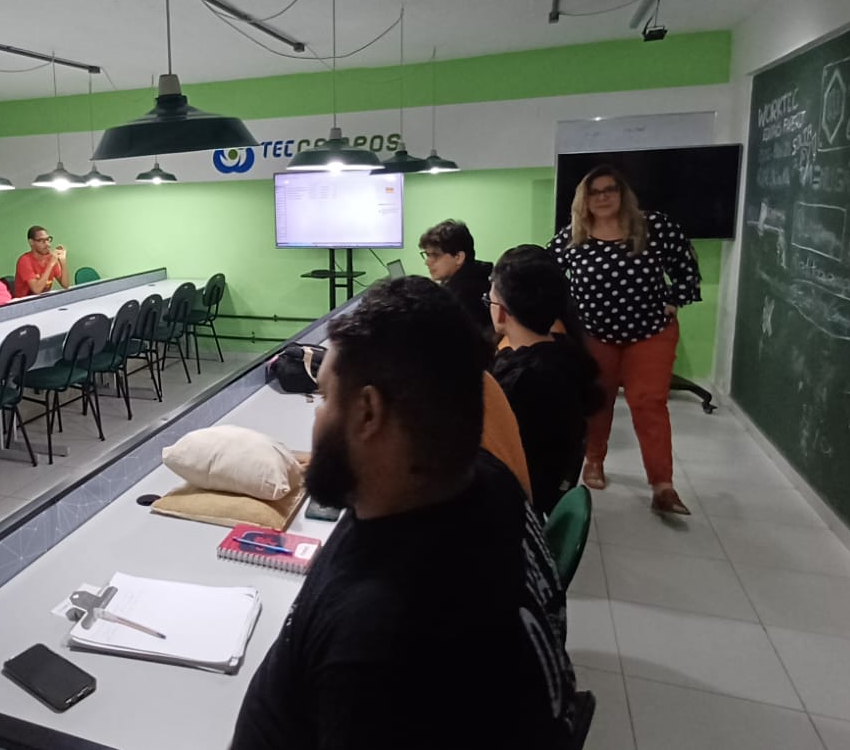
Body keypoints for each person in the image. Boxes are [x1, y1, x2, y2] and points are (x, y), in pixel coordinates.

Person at [230, 278, 575, 749]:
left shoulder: (385, 647)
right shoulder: (483, 481)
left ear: (368, 413)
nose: (317, 416)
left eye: (326, 397)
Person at [550, 164, 702, 515]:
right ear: (583, 199)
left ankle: (662, 484)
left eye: (610, 190)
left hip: (650, 332)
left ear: (622, 194)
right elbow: (545, 274)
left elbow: (686, 267)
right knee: (598, 401)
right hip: (594, 334)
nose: (602, 197)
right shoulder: (572, 237)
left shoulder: (654, 227)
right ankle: (594, 460)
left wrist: (673, 300)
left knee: (648, 402)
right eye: (594, 191)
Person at [490, 245, 604, 517]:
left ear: (502, 311)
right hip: (545, 494)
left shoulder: (521, 380)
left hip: (516, 507)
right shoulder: (567, 353)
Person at [419, 219, 494, 334]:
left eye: (434, 255)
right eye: (427, 255)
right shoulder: (481, 273)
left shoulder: (459, 298)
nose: (427, 262)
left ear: (459, 257)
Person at [14, 225, 69, 298]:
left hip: (43, 300)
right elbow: (37, 290)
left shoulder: (50, 258)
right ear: (31, 242)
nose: (47, 244)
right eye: (41, 241)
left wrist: (63, 261)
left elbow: (65, 285)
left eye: (48, 239)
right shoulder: (24, 261)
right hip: (24, 303)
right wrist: (51, 264)